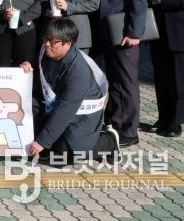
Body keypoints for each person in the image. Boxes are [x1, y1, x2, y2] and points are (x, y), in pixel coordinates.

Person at [21, 19, 118, 164]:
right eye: (46, 39)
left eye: (52, 42)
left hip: (81, 116)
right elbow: (36, 66)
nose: (47, 44)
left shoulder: (79, 72)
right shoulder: (47, 52)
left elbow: (65, 109)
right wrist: (28, 66)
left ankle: (109, 141)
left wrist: (42, 141)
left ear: (68, 43)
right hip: (54, 105)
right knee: (28, 106)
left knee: (67, 155)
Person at [100, 0, 152, 147]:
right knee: (115, 80)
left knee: (127, 81)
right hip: (110, 31)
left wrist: (134, 33)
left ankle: (130, 130)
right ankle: (116, 122)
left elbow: (138, 0)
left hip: (125, 33)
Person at [145, 0, 184, 137]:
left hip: (178, 31)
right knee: (161, 78)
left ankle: (176, 122)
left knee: (178, 80)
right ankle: (163, 118)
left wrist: (160, 0)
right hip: (156, 29)